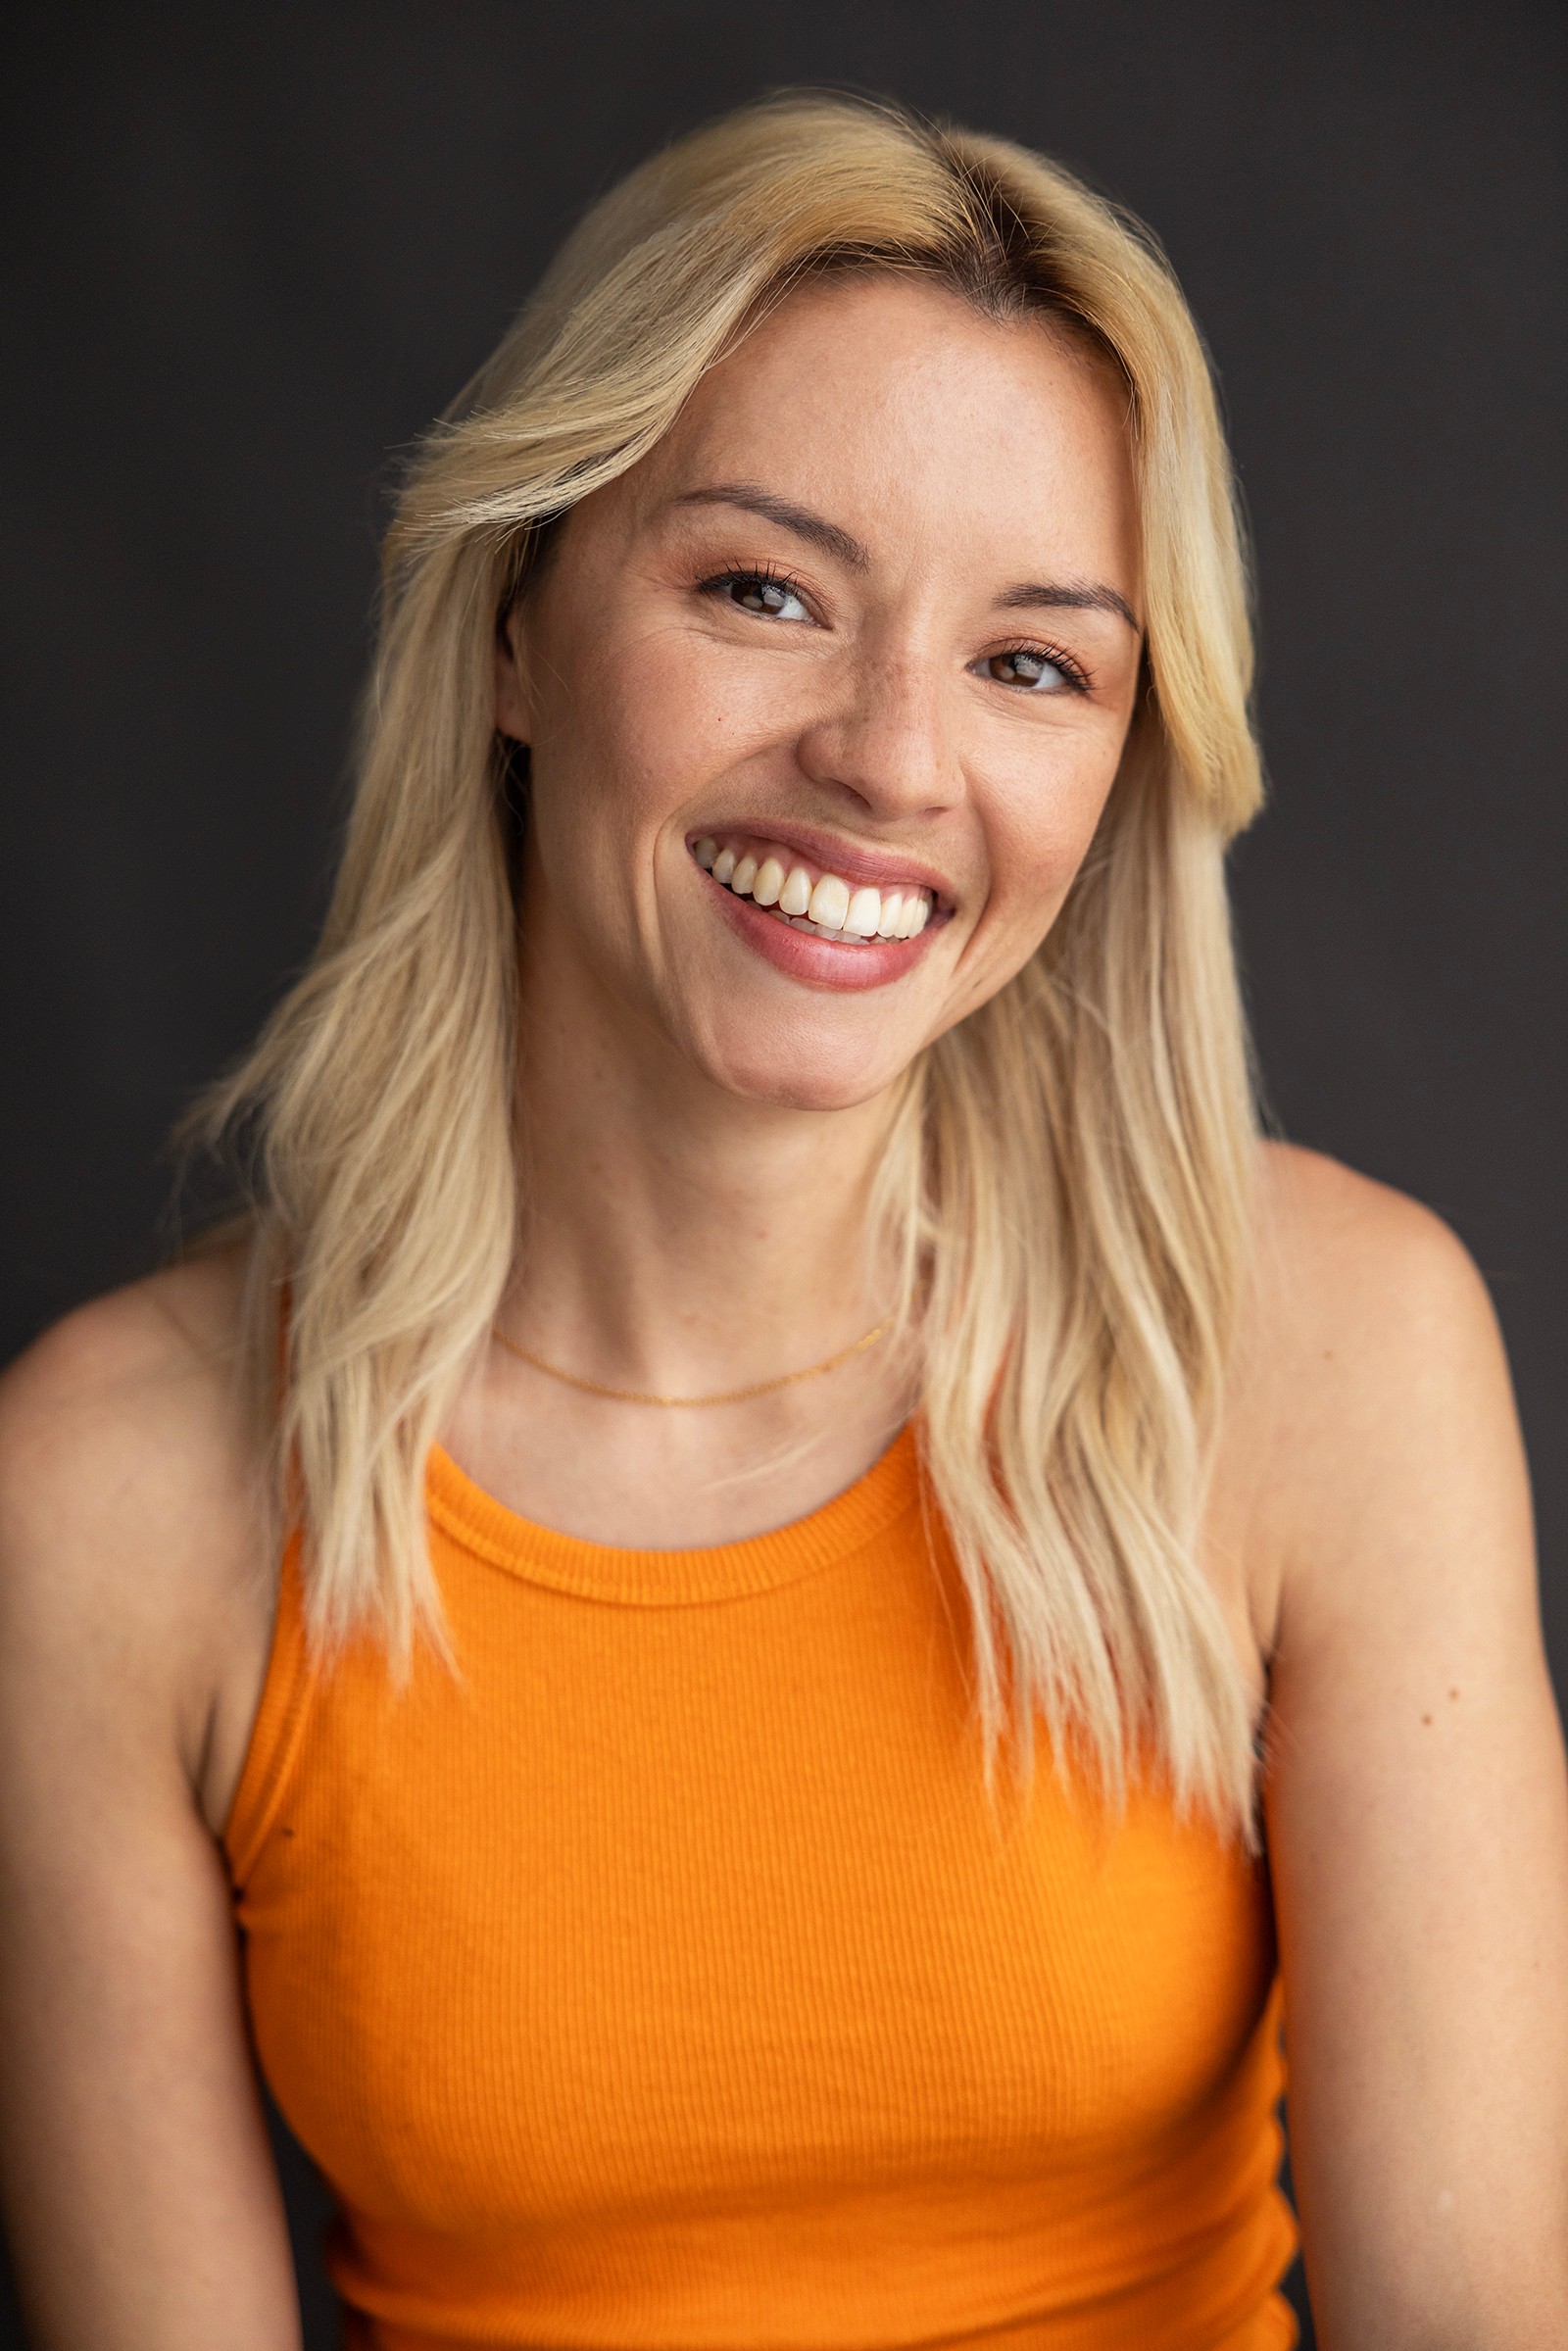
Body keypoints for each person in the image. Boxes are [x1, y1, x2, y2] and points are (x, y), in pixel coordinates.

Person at [0, 89, 1564, 2351]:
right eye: (760, 591)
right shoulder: (108, 1498)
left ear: (1118, 761)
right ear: (518, 634)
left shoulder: (1328, 1350)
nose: (890, 760)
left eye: (1029, 662)